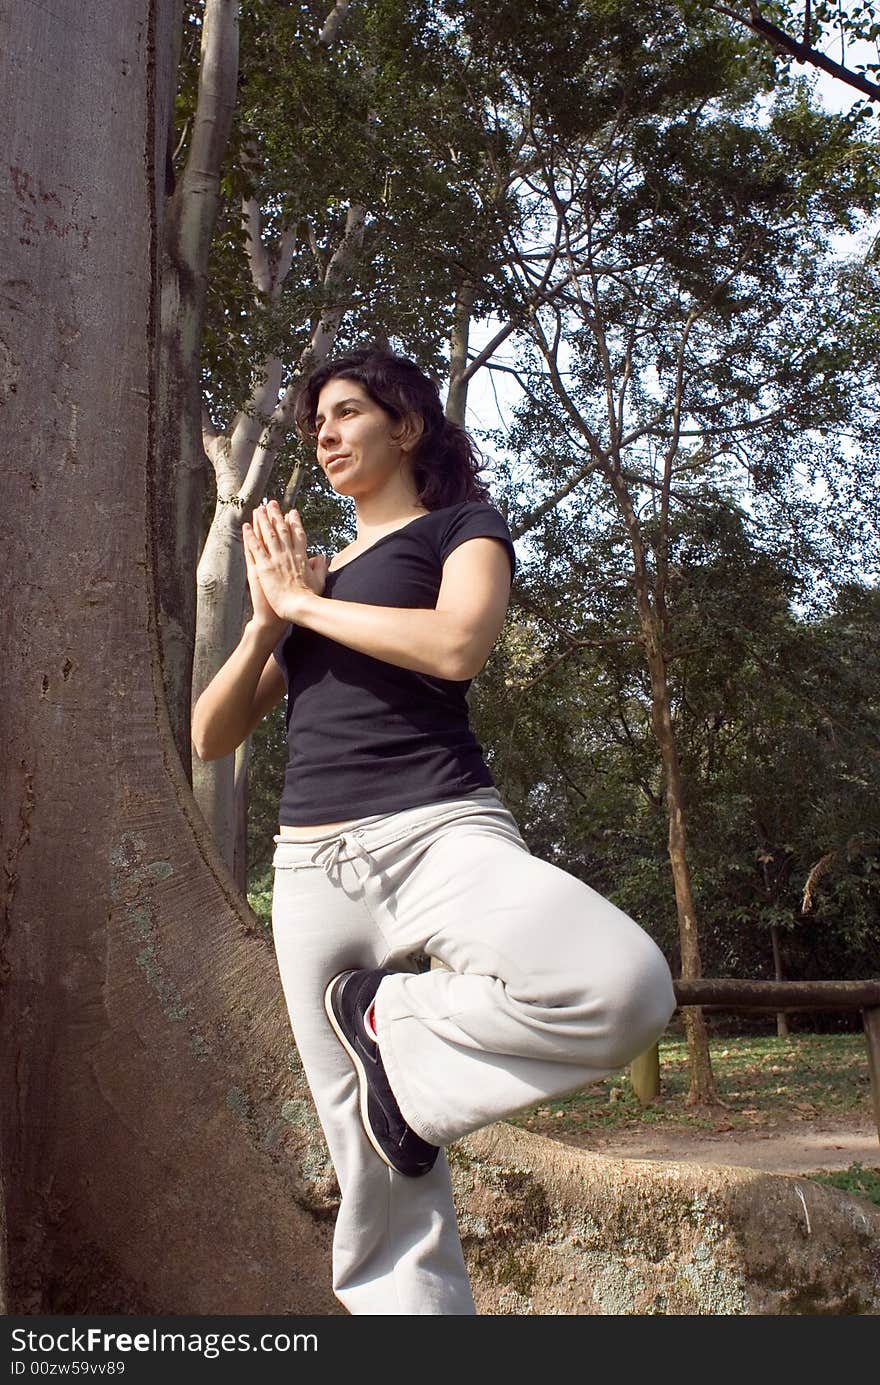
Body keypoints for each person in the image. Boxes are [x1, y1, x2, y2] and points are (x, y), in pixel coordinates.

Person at [191, 347, 676, 1316]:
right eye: (313, 424)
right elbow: (210, 734)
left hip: (438, 826)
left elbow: (458, 643)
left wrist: (308, 604)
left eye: (344, 413)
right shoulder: (312, 581)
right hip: (310, 868)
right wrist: (265, 623)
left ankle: (388, 1023)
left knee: (621, 987)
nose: (323, 435)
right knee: (378, 1171)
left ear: (404, 426)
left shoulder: (461, 527)